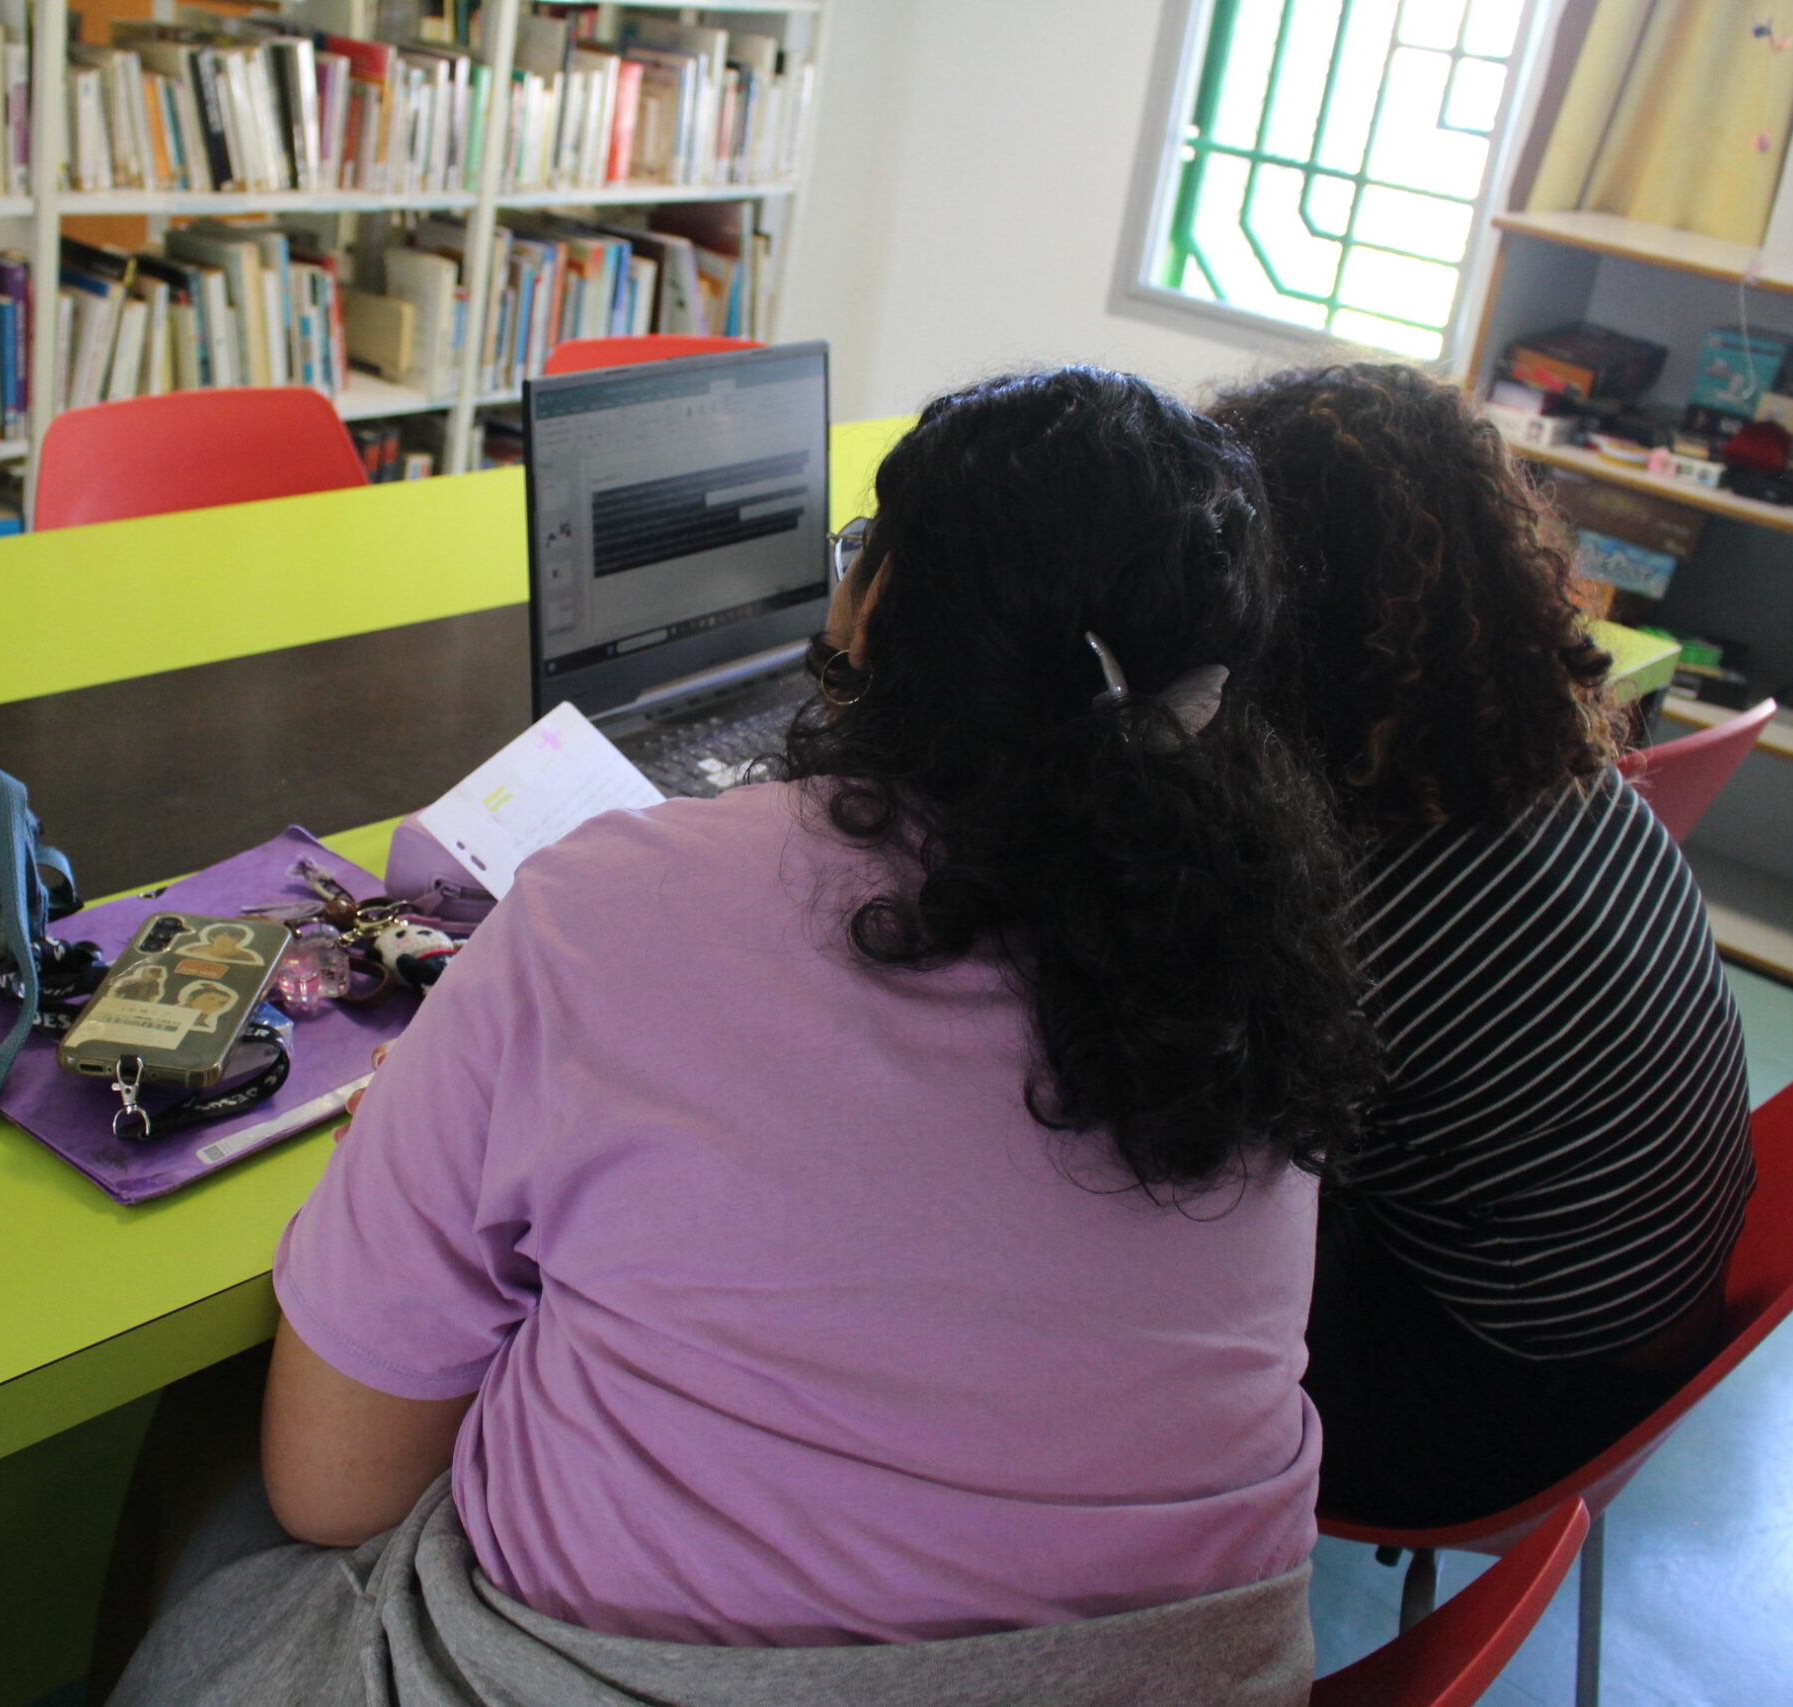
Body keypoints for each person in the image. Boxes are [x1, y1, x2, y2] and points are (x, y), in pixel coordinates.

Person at [103, 368, 1379, 1707]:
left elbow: (334, 1485)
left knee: (218, 1472)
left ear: (878, 608)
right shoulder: (1258, 967)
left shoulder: (612, 909)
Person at [1209, 362, 1758, 1530]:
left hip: (1502, 1408)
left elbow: (1194, 1134)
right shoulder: (1549, 769)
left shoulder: (1361, 901)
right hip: (1641, 1320)